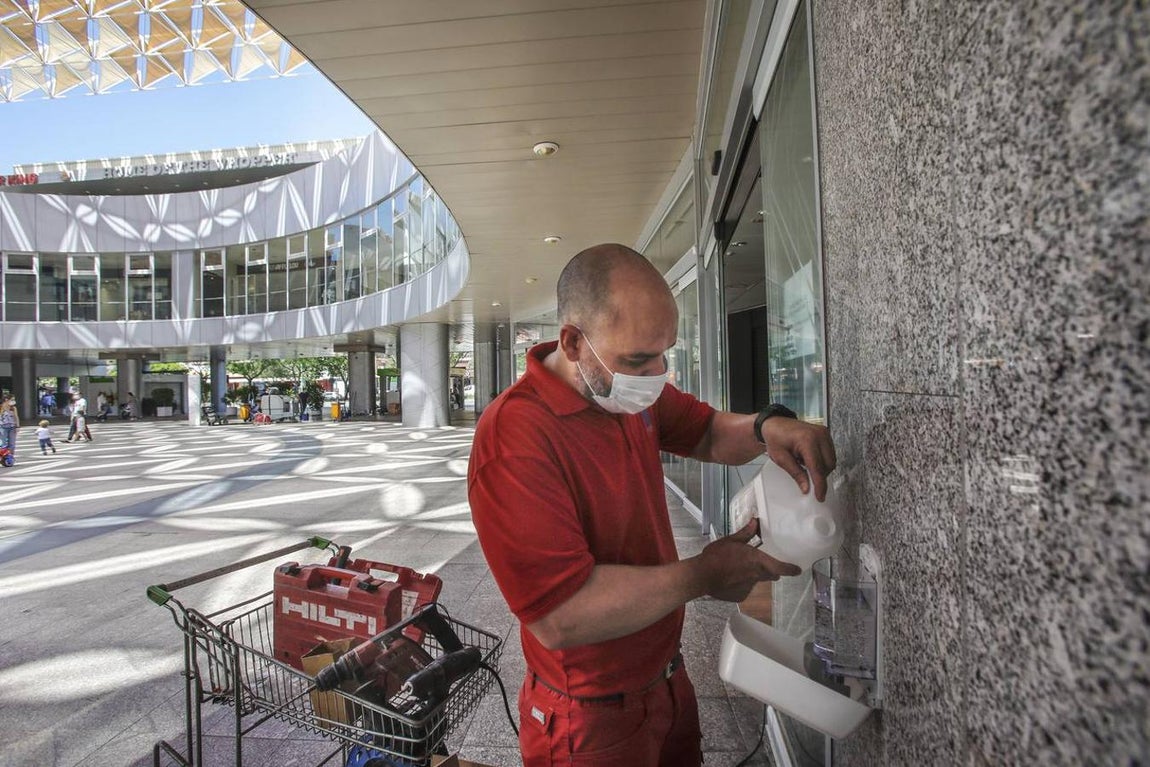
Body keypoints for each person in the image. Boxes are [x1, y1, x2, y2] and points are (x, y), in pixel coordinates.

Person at [467, 244, 837, 767]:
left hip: (667, 680)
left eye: (665, 352)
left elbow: (706, 431)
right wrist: (703, 575)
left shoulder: (624, 390)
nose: (658, 372)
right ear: (573, 342)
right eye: (639, 359)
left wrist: (767, 428)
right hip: (589, 719)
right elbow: (561, 615)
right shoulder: (513, 440)